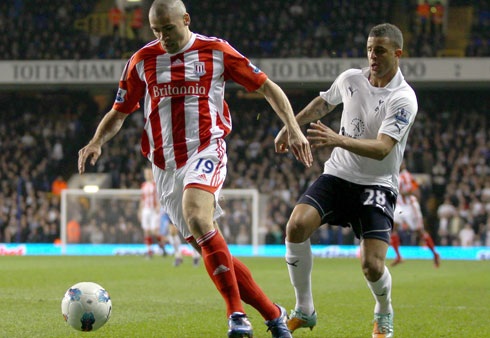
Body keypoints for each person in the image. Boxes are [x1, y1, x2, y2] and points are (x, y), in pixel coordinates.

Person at [78, 1, 312, 337]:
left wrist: (293, 126)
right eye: (156, 31)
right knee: (209, 248)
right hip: (164, 165)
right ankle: (274, 315)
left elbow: (266, 86)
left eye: (168, 29)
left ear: (185, 20)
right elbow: (119, 111)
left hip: (205, 148)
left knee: (199, 216)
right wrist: (97, 141)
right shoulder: (142, 60)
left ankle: (236, 316)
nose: (163, 37)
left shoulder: (215, 51)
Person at [275, 23, 417, 338]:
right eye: (369, 49)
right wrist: (292, 126)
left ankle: (383, 311)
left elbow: (382, 149)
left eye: (379, 50)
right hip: (339, 175)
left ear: (397, 53)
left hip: (377, 184)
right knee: (296, 226)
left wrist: (337, 139)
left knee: (372, 266)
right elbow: (324, 102)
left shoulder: (403, 98)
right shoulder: (351, 78)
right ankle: (305, 309)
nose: (372, 56)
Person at [390, 161, 440, 267]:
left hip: (410, 207)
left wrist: (396, 191)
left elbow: (412, 191)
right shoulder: (397, 176)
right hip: (400, 207)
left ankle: (435, 254)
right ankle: (398, 256)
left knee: (420, 232)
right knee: (392, 228)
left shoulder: (406, 176)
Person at [140, 167, 167, 258]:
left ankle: (162, 245)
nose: (147, 175)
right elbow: (142, 199)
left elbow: (160, 196)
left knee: (155, 231)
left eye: (149, 173)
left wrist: (159, 206)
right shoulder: (143, 185)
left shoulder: (155, 184)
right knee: (146, 230)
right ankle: (149, 251)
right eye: (146, 173)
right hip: (146, 210)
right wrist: (140, 210)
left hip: (154, 210)